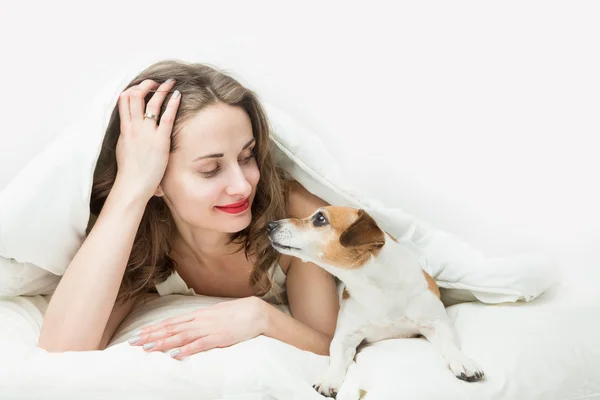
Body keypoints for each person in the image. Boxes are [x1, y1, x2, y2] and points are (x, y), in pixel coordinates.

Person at [37, 60, 340, 358]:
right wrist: (131, 185)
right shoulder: (142, 238)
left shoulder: (300, 219)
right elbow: (62, 349)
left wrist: (259, 316)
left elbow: (330, 347)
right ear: (155, 178)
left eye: (247, 156)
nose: (242, 186)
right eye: (210, 169)